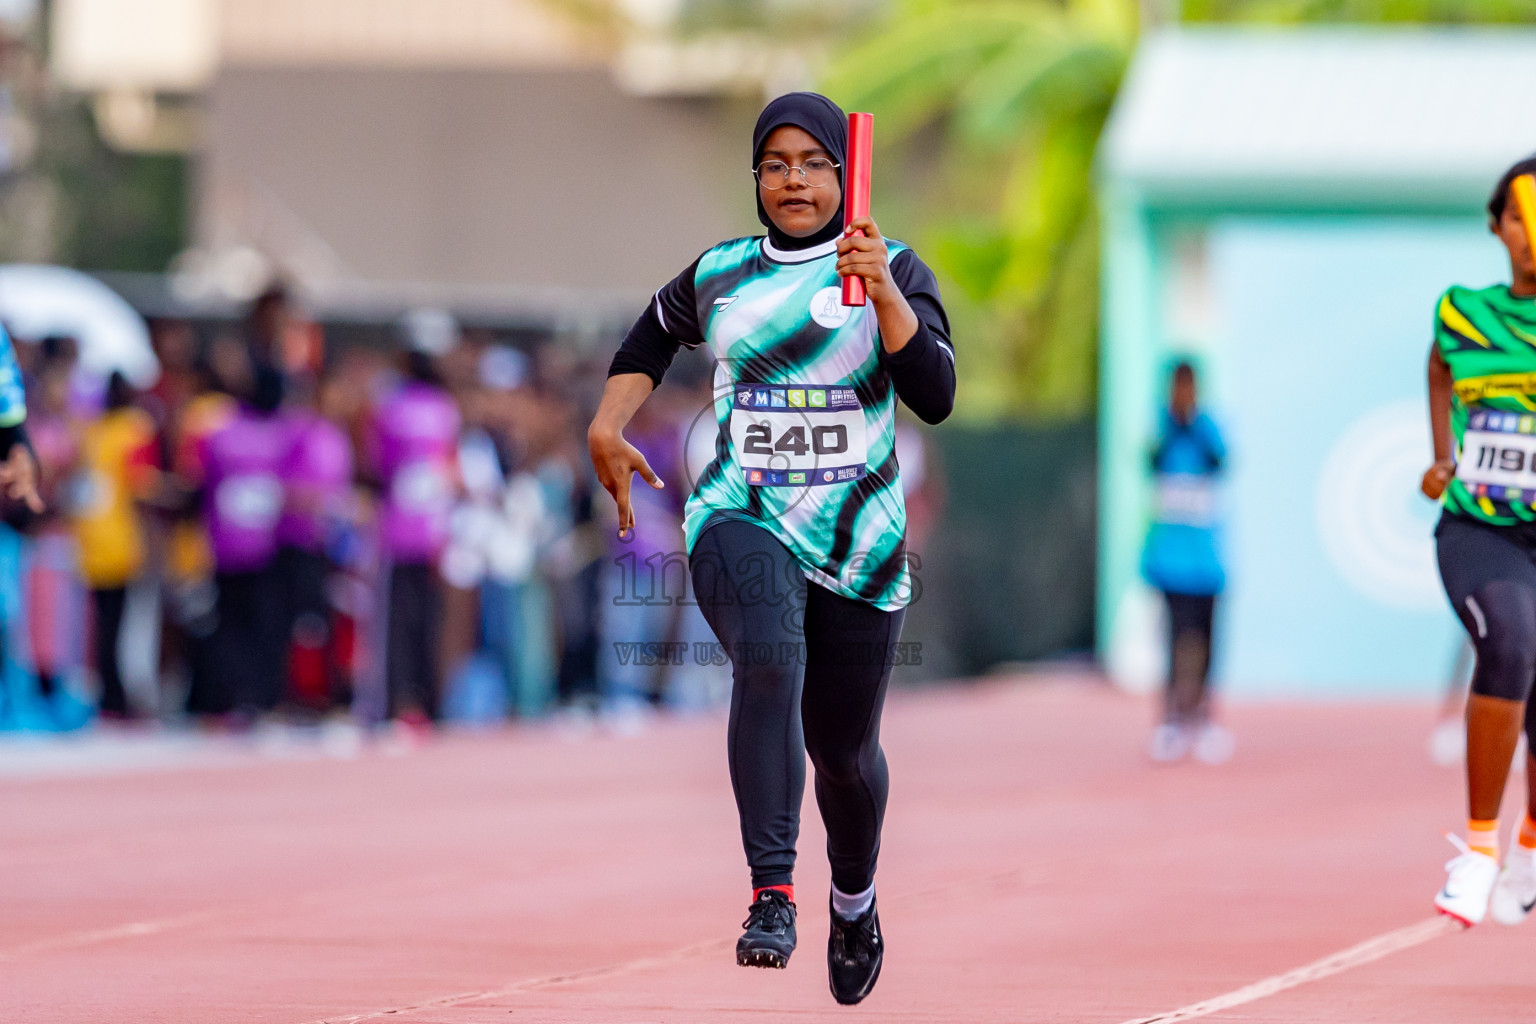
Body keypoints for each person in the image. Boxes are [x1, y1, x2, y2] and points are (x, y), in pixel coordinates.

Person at [588, 92, 954, 1004]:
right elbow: (652, 334)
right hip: (740, 512)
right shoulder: (722, 273)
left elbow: (937, 392)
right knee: (768, 655)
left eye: (813, 162)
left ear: (842, 172)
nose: (794, 178)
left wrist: (887, 303)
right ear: (756, 177)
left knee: (844, 751)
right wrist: (607, 424)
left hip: (859, 538)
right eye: (776, 163)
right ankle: (772, 895)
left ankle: (854, 896)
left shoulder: (892, 265)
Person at [1422, 154, 1536, 927]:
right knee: (1509, 645)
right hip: (1478, 527)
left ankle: (1528, 840)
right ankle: (1480, 849)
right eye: (1521, 216)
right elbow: (1437, 368)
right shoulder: (1463, 311)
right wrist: (1442, 454)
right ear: (1496, 225)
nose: (1533, 234)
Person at [368, 329, 460, 730]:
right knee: (421, 619)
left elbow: (376, 466)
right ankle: (419, 701)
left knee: (403, 622)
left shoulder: (391, 407)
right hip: (423, 531)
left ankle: (404, 701)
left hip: (405, 531)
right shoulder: (443, 408)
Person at [1140, 361, 1231, 764]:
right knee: (1174, 640)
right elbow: (1151, 462)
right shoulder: (1160, 428)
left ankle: (1203, 717)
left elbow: (1222, 462)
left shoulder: (1207, 428)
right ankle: (1172, 719)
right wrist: (1172, 425)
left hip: (1206, 561)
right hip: (1169, 560)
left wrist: (1195, 424)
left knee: (1207, 640)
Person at [200, 367, 291, 719]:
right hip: (263, 546)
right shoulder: (278, 434)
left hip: (229, 545)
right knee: (259, 626)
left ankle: (235, 698)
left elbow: (208, 486)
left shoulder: (222, 431)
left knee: (231, 624)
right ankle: (257, 697)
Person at [70, 372, 158, 720]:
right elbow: (142, 483)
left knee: (102, 626)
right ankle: (122, 697)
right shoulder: (135, 429)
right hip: (124, 540)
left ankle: (108, 695)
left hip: (92, 538)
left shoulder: (93, 432)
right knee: (127, 626)